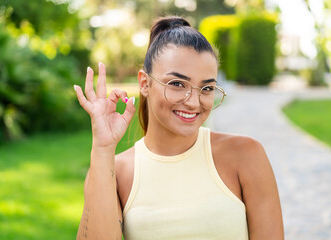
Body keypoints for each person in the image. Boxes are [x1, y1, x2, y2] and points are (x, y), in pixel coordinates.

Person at [74, 16, 284, 240]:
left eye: (207, 88)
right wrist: (103, 148)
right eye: (177, 84)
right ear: (145, 83)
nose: (194, 102)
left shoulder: (246, 155)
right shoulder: (115, 171)